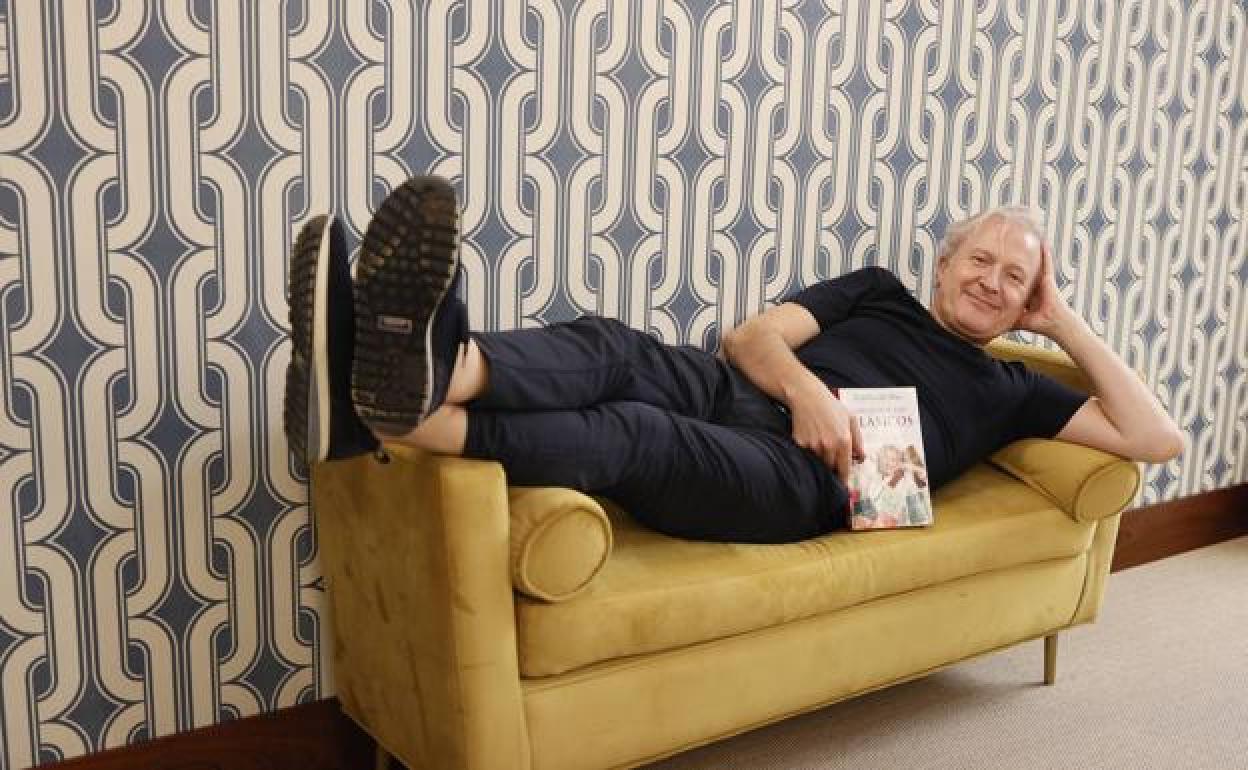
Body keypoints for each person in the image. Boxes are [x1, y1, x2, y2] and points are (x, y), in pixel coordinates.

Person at [284, 175, 1184, 544]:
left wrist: (1063, 321)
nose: (991, 281)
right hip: (744, 390)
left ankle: (392, 409)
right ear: (944, 264)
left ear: (1028, 301)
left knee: (636, 433)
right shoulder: (878, 290)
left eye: (1015, 278)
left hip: (802, 481)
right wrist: (808, 392)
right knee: (617, 347)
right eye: (980, 260)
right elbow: (749, 339)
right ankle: (433, 372)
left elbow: (1157, 440)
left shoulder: (1013, 388)